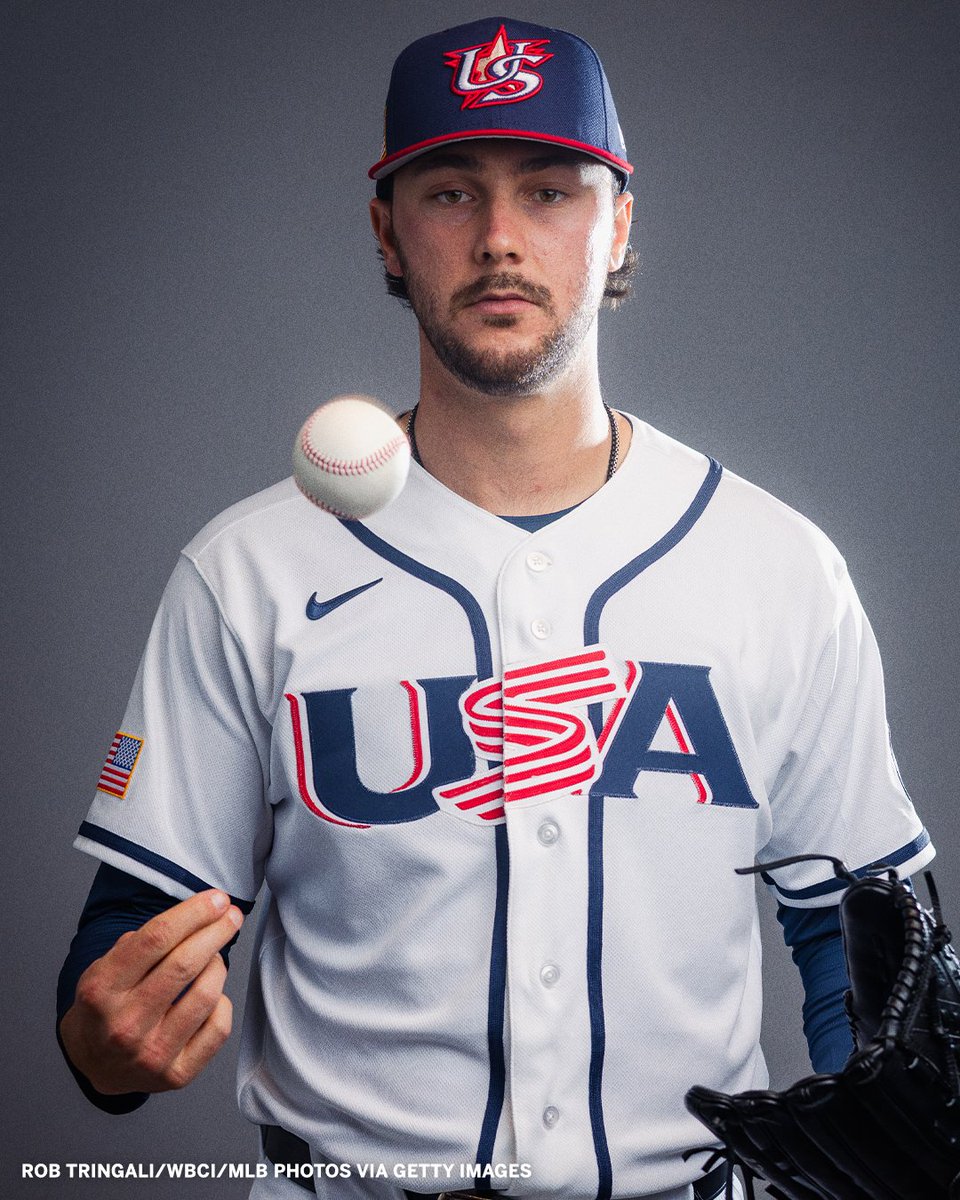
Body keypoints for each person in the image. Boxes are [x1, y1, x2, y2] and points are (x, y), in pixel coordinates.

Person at [58, 17, 933, 1200]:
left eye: (552, 191)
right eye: (452, 191)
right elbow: (126, 947)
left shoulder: (776, 567)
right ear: (388, 230)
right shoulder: (249, 570)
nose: (501, 238)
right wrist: (104, 1048)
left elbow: (854, 939)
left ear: (618, 222)